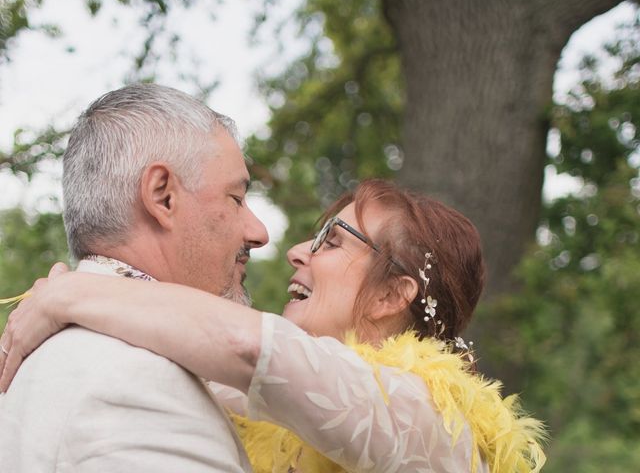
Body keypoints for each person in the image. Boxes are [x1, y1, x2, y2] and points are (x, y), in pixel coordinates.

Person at [0, 179, 546, 472]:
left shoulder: (428, 421)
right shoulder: (285, 410)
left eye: (333, 241)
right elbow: (194, 355)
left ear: (391, 294)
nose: (294, 251)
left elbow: (243, 346)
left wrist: (74, 292)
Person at [0, 83, 269, 472]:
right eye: (236, 198)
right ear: (162, 197)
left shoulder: (40, 356)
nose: (259, 232)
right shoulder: (144, 384)